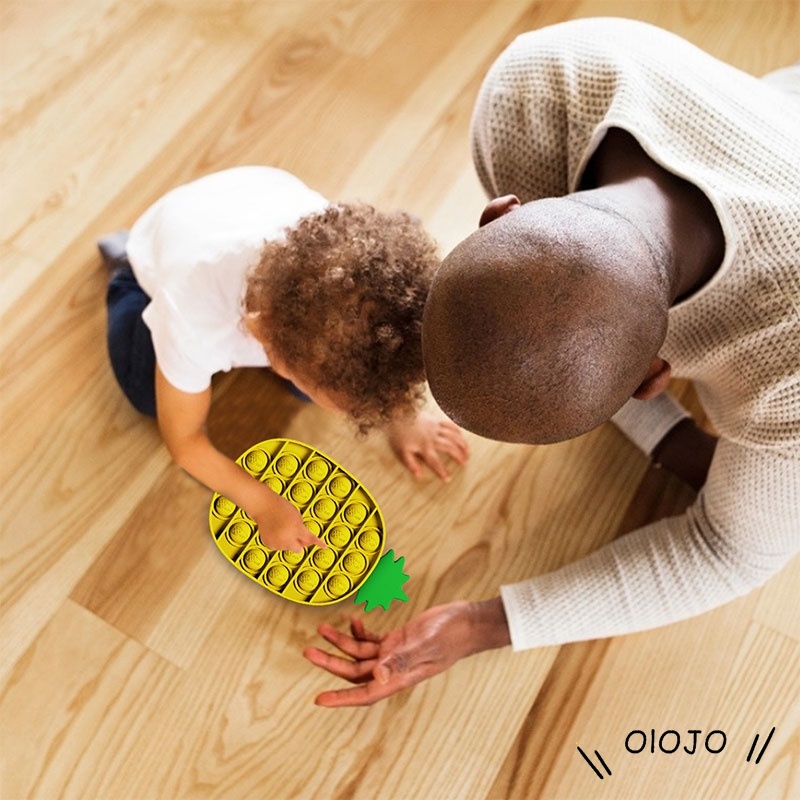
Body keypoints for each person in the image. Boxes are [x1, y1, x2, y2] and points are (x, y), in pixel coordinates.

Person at [304, 18, 799, 706]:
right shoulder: (539, 88)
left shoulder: (791, 375)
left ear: (655, 377)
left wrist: (486, 624)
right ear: (501, 211)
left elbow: (731, 552)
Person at [100, 166, 469, 553]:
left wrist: (400, 416)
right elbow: (185, 442)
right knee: (145, 393)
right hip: (160, 260)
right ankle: (123, 267)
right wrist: (262, 504)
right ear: (261, 332)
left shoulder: (337, 261)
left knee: (330, 379)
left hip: (240, 203)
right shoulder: (193, 315)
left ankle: (318, 382)